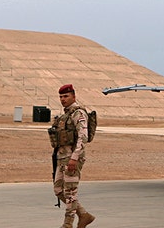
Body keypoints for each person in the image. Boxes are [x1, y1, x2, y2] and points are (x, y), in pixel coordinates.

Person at [52, 84, 95, 228]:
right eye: (61, 97)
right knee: (59, 190)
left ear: (73, 96)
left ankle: (67, 224)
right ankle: (83, 214)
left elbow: (83, 137)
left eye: (66, 96)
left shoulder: (78, 113)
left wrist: (74, 157)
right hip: (62, 158)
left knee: (70, 192)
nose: (62, 99)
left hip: (72, 158)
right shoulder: (66, 114)